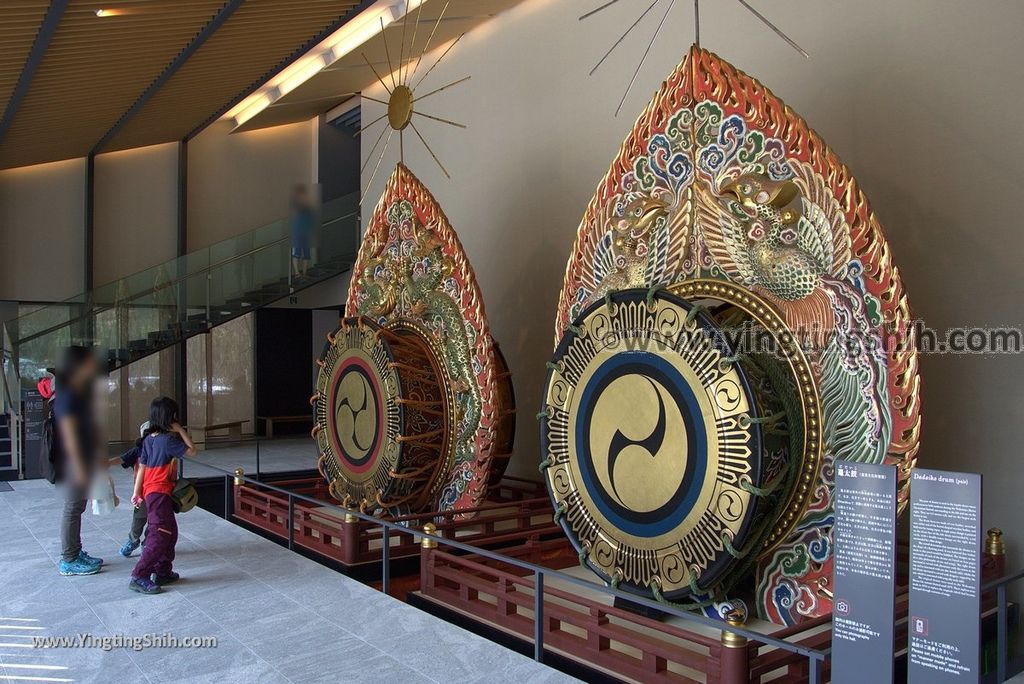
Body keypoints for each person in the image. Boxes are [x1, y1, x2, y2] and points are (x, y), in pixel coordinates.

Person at [129, 397, 196, 594]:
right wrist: (181, 430)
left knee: (170, 532)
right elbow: (193, 451)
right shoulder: (168, 441)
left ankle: (163, 571)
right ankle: (139, 575)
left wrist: (136, 493)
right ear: (170, 418)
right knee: (160, 535)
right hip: (159, 493)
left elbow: (142, 467)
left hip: (152, 492)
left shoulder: (149, 439)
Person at [53, 346, 103, 576]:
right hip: (74, 461)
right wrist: (80, 467)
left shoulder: (76, 392)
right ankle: (69, 559)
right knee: (72, 508)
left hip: (81, 458)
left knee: (78, 506)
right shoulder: (68, 396)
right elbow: (70, 435)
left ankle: (76, 550)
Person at [110, 422, 151, 557]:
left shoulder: (162, 448)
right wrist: (107, 463)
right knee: (139, 518)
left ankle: (148, 542)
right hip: (141, 493)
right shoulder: (138, 450)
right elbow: (123, 459)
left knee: (154, 520)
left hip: (158, 491)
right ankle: (133, 540)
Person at [289, 184, 316, 282]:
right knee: (296, 252)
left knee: (306, 252)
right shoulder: (295, 204)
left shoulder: (308, 207)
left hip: (306, 232)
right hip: (297, 232)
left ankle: (304, 272)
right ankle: (297, 273)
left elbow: (312, 218)